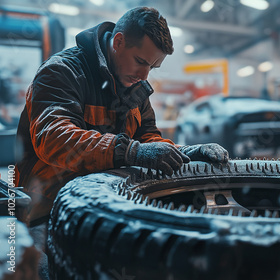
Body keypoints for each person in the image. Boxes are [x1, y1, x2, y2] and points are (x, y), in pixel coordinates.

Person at [14, 6, 228, 264]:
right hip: (44, 210)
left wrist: (184, 154)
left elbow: (148, 139)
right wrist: (128, 152)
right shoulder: (62, 72)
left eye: (153, 67)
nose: (144, 75)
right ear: (118, 41)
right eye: (141, 61)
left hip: (103, 206)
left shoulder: (134, 89)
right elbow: (55, 139)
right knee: (38, 269)